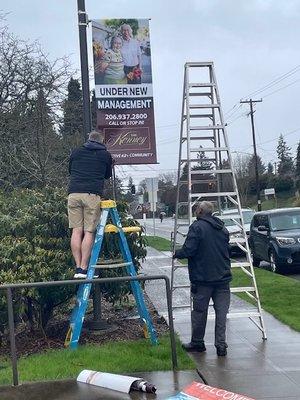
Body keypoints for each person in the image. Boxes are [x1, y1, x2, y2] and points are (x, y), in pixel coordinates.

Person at [173, 201, 232, 356]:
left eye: (196, 209)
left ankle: (198, 342)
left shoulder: (197, 227)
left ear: (200, 211)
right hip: (223, 277)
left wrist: (176, 253)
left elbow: (189, 250)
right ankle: (221, 345)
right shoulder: (222, 228)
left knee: (200, 312)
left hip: (203, 278)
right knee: (221, 313)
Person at [68, 130, 113, 278]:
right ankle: (84, 268)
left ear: (89, 139)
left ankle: (77, 267)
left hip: (73, 193)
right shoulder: (105, 155)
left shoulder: (76, 152)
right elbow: (107, 175)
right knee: (89, 231)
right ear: (101, 142)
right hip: (91, 195)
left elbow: (71, 170)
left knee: (76, 230)